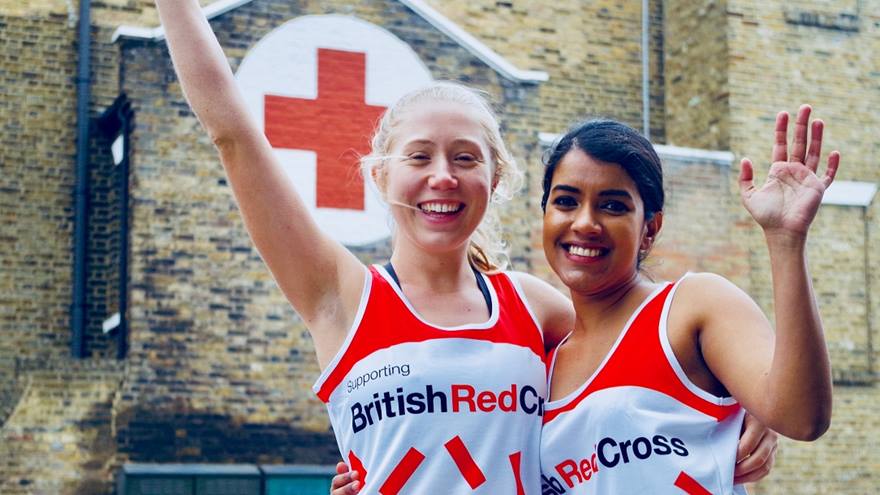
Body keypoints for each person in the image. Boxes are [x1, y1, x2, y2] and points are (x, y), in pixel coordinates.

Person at [155, 1, 777, 492]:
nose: (442, 177)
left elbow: (659, 359)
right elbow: (232, 132)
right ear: (380, 175)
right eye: (419, 157)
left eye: (465, 158)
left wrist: (744, 408)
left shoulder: (534, 308)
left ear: (496, 180)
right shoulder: (341, 297)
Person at [535, 110, 835, 494]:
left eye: (613, 206)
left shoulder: (691, 307)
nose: (585, 223)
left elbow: (801, 417)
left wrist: (786, 240)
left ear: (650, 229)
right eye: (565, 201)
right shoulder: (542, 362)